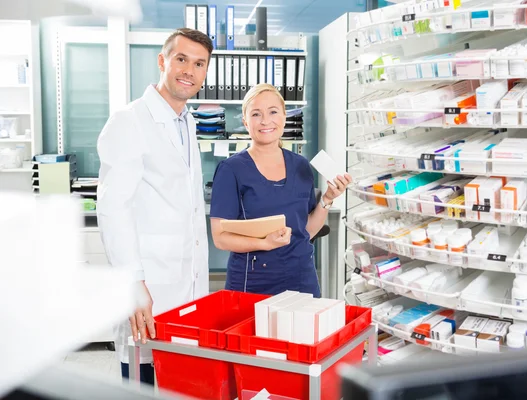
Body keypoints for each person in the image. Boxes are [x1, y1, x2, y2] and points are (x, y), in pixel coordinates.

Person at [96, 28, 212, 383]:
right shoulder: (129, 121)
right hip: (149, 283)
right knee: (145, 377)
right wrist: (133, 282)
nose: (189, 71)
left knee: (181, 377)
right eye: (181, 59)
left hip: (186, 282)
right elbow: (113, 208)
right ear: (162, 61)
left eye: (199, 63)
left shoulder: (187, 121)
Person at [209, 83, 352, 297]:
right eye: (256, 114)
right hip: (254, 282)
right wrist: (264, 243)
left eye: (273, 112)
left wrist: (327, 199)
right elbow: (220, 237)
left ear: (285, 116)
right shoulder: (231, 170)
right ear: (246, 122)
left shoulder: (301, 165)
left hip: (302, 278)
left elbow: (306, 231)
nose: (266, 121)